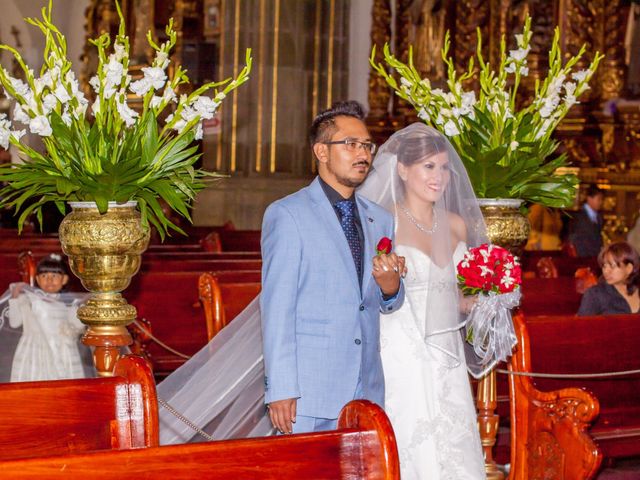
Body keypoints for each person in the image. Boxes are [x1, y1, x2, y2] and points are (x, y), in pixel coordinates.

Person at [260, 100, 405, 434]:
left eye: (368, 145)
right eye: (351, 144)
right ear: (321, 152)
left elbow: (385, 302)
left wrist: (391, 286)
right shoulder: (288, 214)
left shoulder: (379, 218)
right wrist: (281, 387)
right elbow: (277, 307)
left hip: (366, 387)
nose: (364, 154)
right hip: (309, 389)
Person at [358, 123, 487, 479]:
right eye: (429, 167)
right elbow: (369, 287)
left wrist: (482, 300)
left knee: (453, 430)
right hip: (401, 344)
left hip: (446, 347)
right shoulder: (385, 221)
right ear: (402, 169)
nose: (440, 176)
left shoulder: (457, 225)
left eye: (444, 167)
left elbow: (461, 293)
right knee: (412, 432)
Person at [1, 254, 91, 382]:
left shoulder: (69, 304)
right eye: (44, 276)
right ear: (37, 279)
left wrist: (82, 307)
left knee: (65, 386)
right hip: (34, 352)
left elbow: (77, 327)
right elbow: (15, 323)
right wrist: (15, 298)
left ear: (64, 279)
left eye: (54, 276)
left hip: (63, 353)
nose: (49, 280)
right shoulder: (29, 300)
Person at [577, 241, 640, 315]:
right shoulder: (595, 294)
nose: (606, 271)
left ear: (629, 268)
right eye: (604, 266)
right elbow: (582, 325)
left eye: (612, 266)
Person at [569, 185, 604, 257]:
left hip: (595, 256)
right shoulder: (578, 216)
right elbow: (575, 240)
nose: (601, 202)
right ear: (589, 198)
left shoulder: (599, 217)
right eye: (599, 199)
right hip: (582, 257)